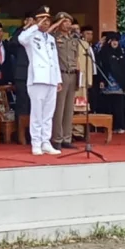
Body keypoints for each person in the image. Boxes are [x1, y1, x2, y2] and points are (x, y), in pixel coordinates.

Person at [18, 6, 62, 156]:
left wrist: (58, 79)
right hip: (37, 79)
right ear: (36, 21)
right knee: (37, 114)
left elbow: (54, 60)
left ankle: (46, 142)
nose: (46, 22)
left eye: (48, 20)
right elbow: (21, 39)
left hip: (51, 79)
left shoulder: (50, 39)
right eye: (42, 19)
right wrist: (34, 26)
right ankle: (36, 143)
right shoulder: (31, 36)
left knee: (48, 114)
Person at [51, 12, 79, 150]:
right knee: (59, 108)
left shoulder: (74, 39)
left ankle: (67, 138)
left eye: (69, 22)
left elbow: (76, 57)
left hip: (72, 74)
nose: (67, 24)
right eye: (64, 22)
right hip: (60, 74)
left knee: (69, 109)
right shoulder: (54, 38)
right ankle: (57, 138)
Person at [97, 32, 125, 134]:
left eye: (117, 41)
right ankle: (107, 126)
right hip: (107, 83)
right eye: (113, 41)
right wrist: (101, 80)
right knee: (108, 106)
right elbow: (100, 68)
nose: (115, 43)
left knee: (119, 107)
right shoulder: (103, 53)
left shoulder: (122, 53)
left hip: (119, 84)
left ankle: (118, 126)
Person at [9, 15, 34, 121]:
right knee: (22, 103)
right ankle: (20, 128)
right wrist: (26, 27)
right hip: (22, 74)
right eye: (30, 20)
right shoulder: (20, 33)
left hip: (35, 74)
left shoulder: (38, 35)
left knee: (33, 104)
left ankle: (31, 129)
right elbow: (12, 42)